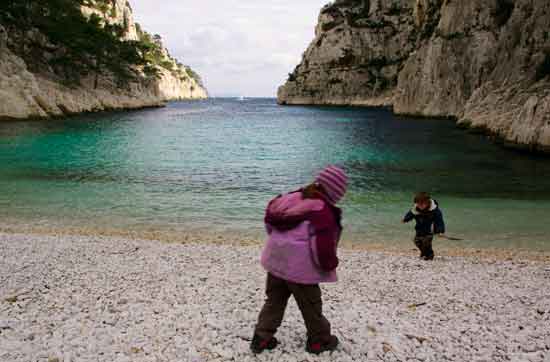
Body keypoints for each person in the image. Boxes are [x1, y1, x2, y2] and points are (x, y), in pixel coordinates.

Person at [250, 165, 348, 355]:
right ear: (335, 192)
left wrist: (278, 245)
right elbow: (322, 245)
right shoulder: (322, 210)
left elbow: (269, 221)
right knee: (311, 306)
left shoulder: (292, 197)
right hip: (300, 271)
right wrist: (330, 264)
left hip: (276, 263)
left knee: (274, 301)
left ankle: (261, 338)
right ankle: (319, 341)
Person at [402, 192, 445, 260]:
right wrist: (405, 219)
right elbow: (410, 214)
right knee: (417, 241)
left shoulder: (435, 210)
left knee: (426, 243)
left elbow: (439, 221)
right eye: (418, 204)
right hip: (419, 229)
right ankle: (424, 253)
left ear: (428, 203)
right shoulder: (416, 208)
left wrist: (440, 231)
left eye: (422, 204)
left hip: (429, 231)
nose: (420, 206)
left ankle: (429, 255)